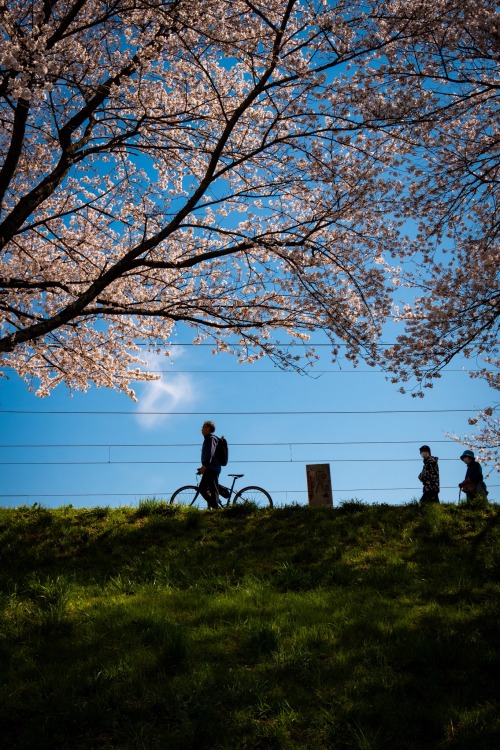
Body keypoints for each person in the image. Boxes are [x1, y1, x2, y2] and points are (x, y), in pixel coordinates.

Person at [198, 420, 221, 510]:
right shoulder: (209, 439)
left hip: (212, 468)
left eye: (203, 427)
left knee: (205, 489)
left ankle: (215, 507)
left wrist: (205, 465)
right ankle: (215, 506)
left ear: (208, 428)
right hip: (211, 467)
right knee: (211, 488)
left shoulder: (211, 438)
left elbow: (211, 452)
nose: (201, 430)